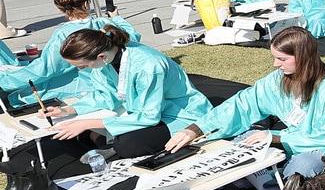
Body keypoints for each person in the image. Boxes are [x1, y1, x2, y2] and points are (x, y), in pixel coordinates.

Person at [165, 27, 325, 190]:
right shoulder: (279, 79)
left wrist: (276, 138)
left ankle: (271, 184)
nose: (275, 64)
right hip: (296, 140)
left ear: (303, 57)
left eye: (282, 59)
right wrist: (197, 128)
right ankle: (269, 178)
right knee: (246, 138)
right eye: (274, 58)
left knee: (304, 162)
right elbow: (243, 104)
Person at [49, 26, 212, 158]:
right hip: (144, 113)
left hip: (180, 114)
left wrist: (86, 123)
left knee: (126, 145)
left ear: (101, 56)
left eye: (82, 66)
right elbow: (105, 95)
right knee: (84, 132)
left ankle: (111, 144)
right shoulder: (107, 58)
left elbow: (150, 116)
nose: (82, 70)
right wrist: (68, 110)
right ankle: (107, 141)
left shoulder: (148, 65)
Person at [0, 0, 140, 105]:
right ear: (86, 4)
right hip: (111, 81)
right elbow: (132, 37)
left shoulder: (64, 33)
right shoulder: (104, 23)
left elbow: (47, 68)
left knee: (18, 96)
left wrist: (7, 81)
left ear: (62, 10)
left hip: (80, 85)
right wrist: (116, 17)